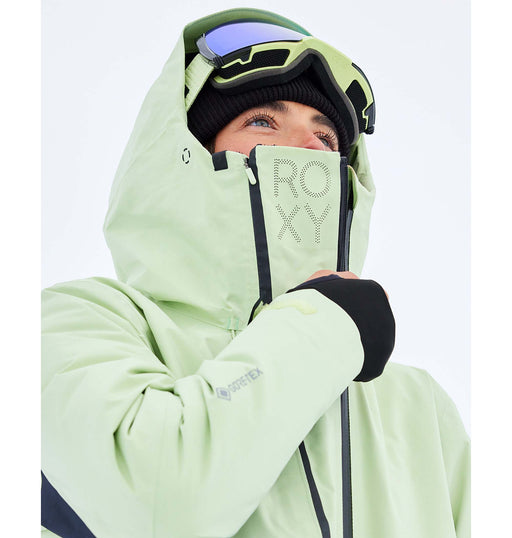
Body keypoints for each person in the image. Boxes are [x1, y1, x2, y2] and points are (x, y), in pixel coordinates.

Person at [41, 8, 470, 538]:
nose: (310, 149)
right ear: (188, 155)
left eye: (327, 138)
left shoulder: (415, 408)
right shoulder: (74, 325)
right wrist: (321, 324)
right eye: (263, 121)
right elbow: (159, 506)